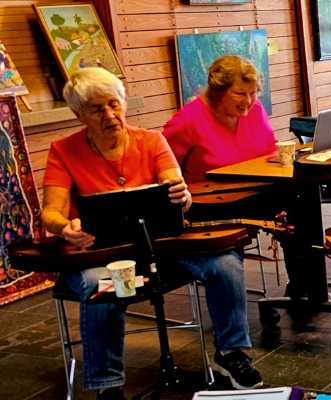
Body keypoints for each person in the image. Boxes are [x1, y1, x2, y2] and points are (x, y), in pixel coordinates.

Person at [41, 68, 263, 400]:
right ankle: (107, 384)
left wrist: (183, 197)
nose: (109, 115)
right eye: (96, 109)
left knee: (226, 264)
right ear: (78, 114)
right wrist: (65, 227)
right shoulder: (64, 150)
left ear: (124, 103)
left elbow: (176, 188)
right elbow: (51, 213)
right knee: (98, 286)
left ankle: (231, 354)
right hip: (103, 256)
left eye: (114, 104)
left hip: (162, 249)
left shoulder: (151, 141)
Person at [163, 54, 275, 185]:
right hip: (209, 200)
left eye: (253, 93)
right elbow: (164, 172)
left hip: (258, 192)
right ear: (218, 92)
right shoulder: (186, 121)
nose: (248, 101)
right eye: (239, 93)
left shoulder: (256, 109)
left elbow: (271, 151)